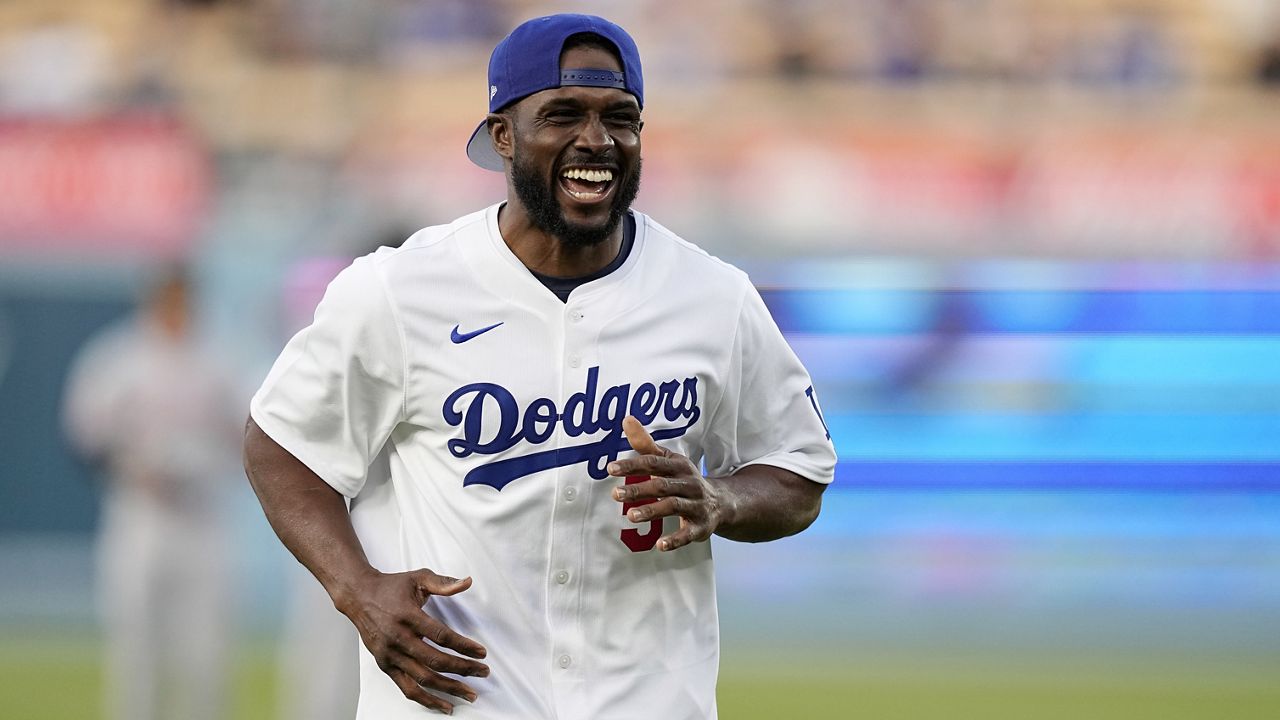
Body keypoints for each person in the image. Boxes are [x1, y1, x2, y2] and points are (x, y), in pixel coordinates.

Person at [243, 13, 836, 719]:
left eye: (621, 117)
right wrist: (357, 589)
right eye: (563, 114)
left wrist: (721, 499)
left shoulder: (713, 297)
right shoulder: (399, 291)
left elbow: (798, 473)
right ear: (502, 136)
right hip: (462, 703)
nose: (596, 139)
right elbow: (279, 444)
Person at [63, 268, 241, 720]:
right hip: (140, 514)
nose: (179, 307)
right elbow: (84, 439)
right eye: (170, 297)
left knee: (206, 655)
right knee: (137, 651)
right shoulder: (118, 357)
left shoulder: (218, 359)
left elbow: (248, 436)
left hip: (203, 516)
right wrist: (130, 470)